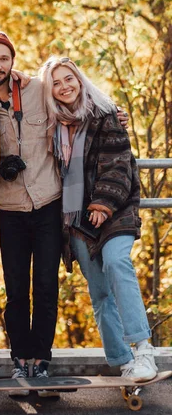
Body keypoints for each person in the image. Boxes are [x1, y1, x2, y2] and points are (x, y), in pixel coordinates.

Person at [41, 55, 157, 381]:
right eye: (56, 82)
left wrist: (104, 203)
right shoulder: (51, 125)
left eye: (69, 79)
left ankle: (144, 350)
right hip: (75, 220)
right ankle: (124, 363)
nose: (64, 87)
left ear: (79, 79)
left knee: (118, 263)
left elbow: (119, 165)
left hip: (114, 212)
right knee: (100, 294)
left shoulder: (106, 114)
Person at [0, 31, 63, 394]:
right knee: (15, 291)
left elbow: (76, 103)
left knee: (46, 284)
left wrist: (115, 114)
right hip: (8, 209)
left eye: (3, 58)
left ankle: (42, 359)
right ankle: (20, 360)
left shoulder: (38, 88)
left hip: (47, 203)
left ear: (12, 60)